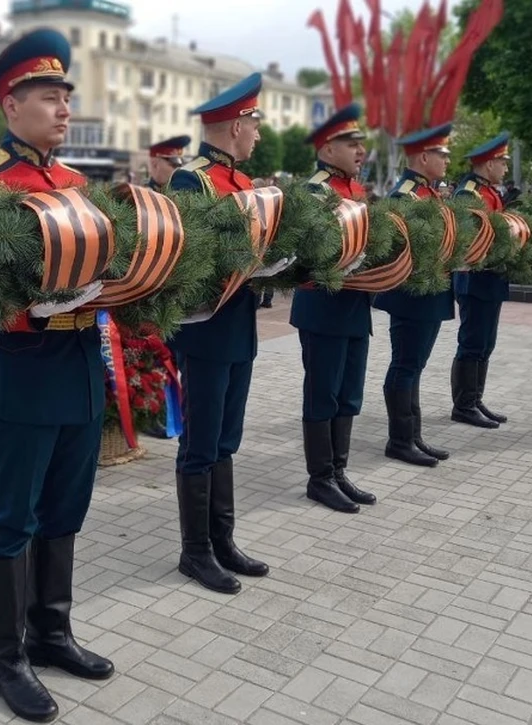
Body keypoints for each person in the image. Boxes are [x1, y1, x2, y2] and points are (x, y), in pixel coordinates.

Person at [0, 27, 113, 723]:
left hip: (78, 370)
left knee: (66, 512)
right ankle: (5, 657)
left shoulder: (75, 183)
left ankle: (51, 632)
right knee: (13, 518)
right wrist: (36, 306)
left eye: (68, 96)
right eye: (50, 96)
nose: (65, 108)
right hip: (19, 371)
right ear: (11, 105)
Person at [167, 72, 272, 594]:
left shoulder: (246, 184)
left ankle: (223, 540)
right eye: (255, 123)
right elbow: (190, 258)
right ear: (235, 125)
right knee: (201, 441)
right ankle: (196, 552)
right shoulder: (193, 181)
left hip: (239, 329)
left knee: (226, 438)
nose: (258, 133)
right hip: (206, 332)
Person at [290, 102, 377, 514]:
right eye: (350, 143)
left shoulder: (355, 190)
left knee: (349, 394)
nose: (360, 150)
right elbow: (311, 254)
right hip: (323, 309)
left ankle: (339, 471)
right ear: (327, 149)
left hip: (355, 307)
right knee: (322, 393)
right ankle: (319, 478)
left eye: (360, 143)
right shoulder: (315, 192)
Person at [373, 123, 454, 467]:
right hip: (413, 297)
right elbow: (397, 250)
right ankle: (400, 440)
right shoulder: (404, 196)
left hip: (429, 295)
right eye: (442, 154)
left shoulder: (427, 193)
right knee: (406, 365)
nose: (447, 161)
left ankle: (413, 435)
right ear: (424, 156)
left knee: (414, 366)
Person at [451, 132, 512, 429]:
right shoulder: (469, 194)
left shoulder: (489, 191)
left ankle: (474, 400)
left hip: (491, 278)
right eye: (503, 162)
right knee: (473, 341)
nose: (505, 168)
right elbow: (469, 241)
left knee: (486, 342)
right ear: (489, 163)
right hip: (475, 279)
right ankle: (463, 405)